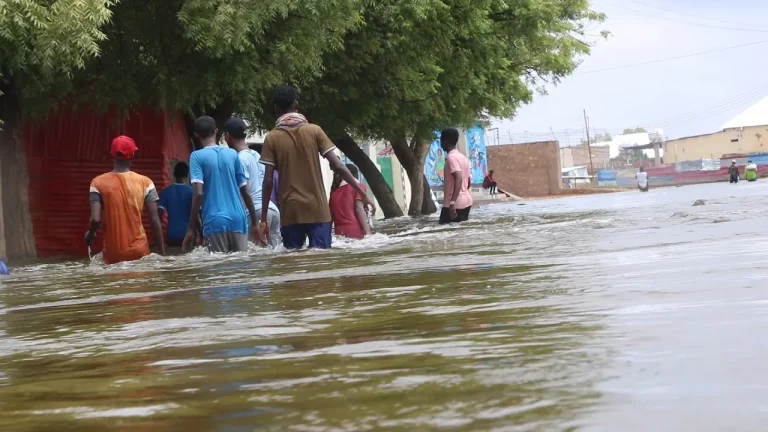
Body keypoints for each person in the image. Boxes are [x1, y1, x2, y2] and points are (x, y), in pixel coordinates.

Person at [259, 85, 375, 250]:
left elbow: (268, 181)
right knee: (321, 262)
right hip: (318, 211)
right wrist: (363, 194)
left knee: (295, 266)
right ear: (296, 105)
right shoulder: (315, 131)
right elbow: (339, 166)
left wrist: (263, 220)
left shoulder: (272, 138)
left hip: (291, 213)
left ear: (276, 109)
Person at [183, 116, 259, 253]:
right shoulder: (232, 154)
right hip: (239, 219)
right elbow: (246, 191)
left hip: (215, 221)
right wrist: (254, 222)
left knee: (220, 270)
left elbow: (198, 193)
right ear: (216, 131)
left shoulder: (196, 156)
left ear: (196, 134)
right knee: (241, 269)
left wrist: (191, 229)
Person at [85, 135, 165, 264]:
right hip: (139, 251)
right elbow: (155, 221)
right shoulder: (146, 182)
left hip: (113, 254)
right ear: (133, 154)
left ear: (112, 154)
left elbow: (95, 219)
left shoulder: (97, 183)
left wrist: (90, 234)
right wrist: (162, 253)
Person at [224, 118, 282, 247]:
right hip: (272, 211)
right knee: (275, 257)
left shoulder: (239, 159)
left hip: (255, 213)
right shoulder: (256, 155)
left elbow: (245, 190)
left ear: (227, 136)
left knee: (255, 260)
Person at [439, 128, 473, 224]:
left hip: (454, 204)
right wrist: (463, 192)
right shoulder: (462, 157)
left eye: (441, 140)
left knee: (444, 233)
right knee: (459, 234)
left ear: (446, 140)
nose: (441, 143)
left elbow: (459, 177)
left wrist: (453, 202)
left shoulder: (451, 158)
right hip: (467, 201)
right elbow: (468, 181)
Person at [330, 164, 372, 239]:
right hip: (355, 231)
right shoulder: (358, 187)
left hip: (339, 233)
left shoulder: (333, 193)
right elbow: (359, 209)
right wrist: (368, 232)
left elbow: (331, 218)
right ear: (355, 175)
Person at [158, 162, 194, 248]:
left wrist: (156, 238)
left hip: (172, 235)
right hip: (189, 234)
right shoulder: (192, 192)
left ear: (174, 174)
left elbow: (159, 215)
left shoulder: (165, 192)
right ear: (187, 175)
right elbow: (197, 216)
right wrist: (201, 233)